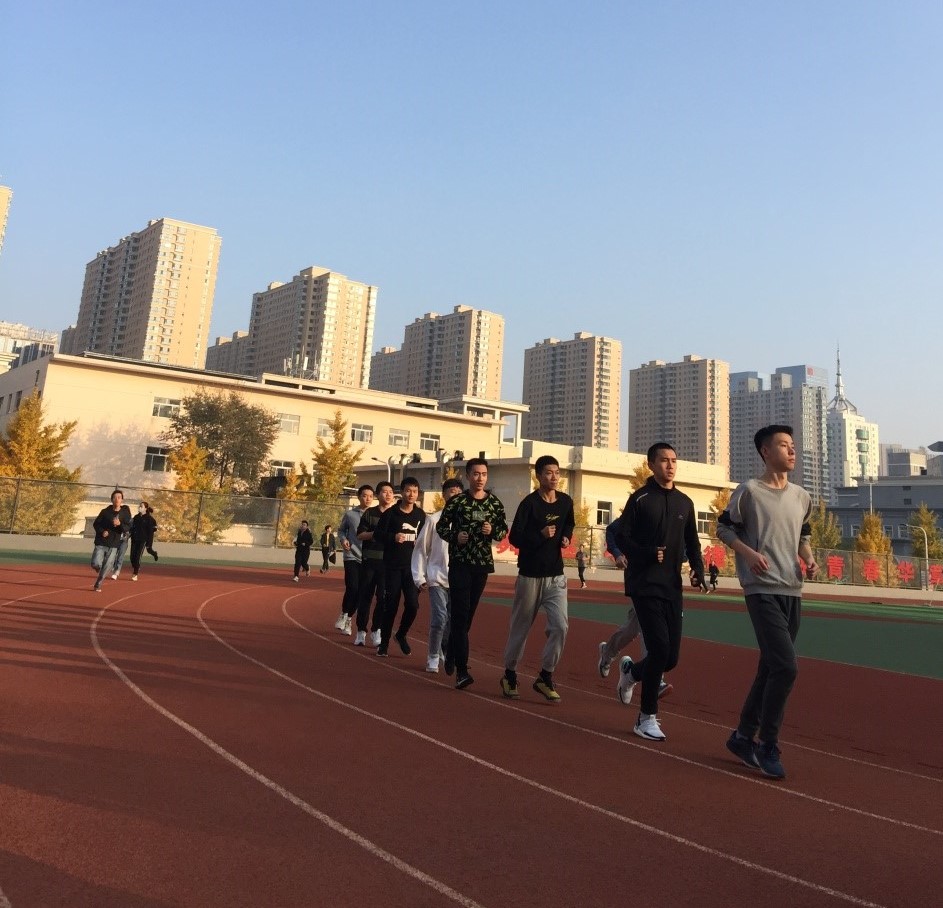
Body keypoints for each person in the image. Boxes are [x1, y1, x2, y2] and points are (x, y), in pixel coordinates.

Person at [717, 424, 817, 780]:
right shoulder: (750, 492)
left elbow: (802, 536)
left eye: (793, 445)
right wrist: (748, 553)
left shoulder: (802, 497)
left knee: (771, 667)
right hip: (760, 589)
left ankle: (743, 736)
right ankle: (767, 744)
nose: (792, 451)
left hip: (792, 590)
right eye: (784, 445)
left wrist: (809, 559)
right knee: (786, 667)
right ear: (765, 451)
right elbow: (723, 528)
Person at [614, 443, 706, 742]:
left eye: (674, 460)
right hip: (644, 584)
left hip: (672, 586)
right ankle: (646, 718)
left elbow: (692, 542)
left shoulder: (685, 502)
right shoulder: (640, 499)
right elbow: (621, 537)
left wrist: (698, 569)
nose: (670, 465)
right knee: (659, 649)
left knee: (670, 658)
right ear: (651, 464)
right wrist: (647, 553)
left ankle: (631, 673)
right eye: (664, 460)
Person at [501, 455, 575, 702]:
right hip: (530, 576)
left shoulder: (565, 502)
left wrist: (566, 536)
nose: (554, 477)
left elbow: (569, 524)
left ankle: (545, 675)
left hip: (556, 576)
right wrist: (540, 534)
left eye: (557, 472)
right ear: (539, 476)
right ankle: (510, 674)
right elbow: (515, 538)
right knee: (520, 627)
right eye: (549, 473)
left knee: (561, 626)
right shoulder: (529, 504)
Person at [436, 458, 508, 689]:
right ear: (468, 476)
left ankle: (451, 651)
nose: (480, 478)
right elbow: (441, 527)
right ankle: (462, 671)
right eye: (476, 474)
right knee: (460, 615)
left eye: (484, 474)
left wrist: (492, 530)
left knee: (467, 618)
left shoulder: (494, 503)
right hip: (460, 564)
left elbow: (502, 530)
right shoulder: (457, 502)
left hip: (481, 565)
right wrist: (455, 536)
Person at [596, 514, 673, 700]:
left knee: (633, 629)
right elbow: (612, 530)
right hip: (639, 579)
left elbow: (683, 546)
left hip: (661, 581)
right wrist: (617, 553)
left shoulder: (673, 514)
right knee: (649, 627)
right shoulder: (641, 508)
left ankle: (608, 653)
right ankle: (656, 679)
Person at [413, 477, 464, 673]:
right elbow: (420, 549)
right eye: (451, 492)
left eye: (458, 493)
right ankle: (433, 656)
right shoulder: (434, 520)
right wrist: (419, 576)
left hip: (458, 579)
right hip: (437, 577)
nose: (455, 496)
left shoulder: (467, 522)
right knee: (439, 618)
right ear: (444, 495)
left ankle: (444, 648)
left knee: (452, 620)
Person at [373, 477, 426, 658]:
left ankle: (401, 634)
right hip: (392, 567)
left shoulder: (421, 515)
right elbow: (378, 535)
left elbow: (427, 540)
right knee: (391, 606)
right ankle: (384, 643)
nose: (411, 494)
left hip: (413, 569)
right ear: (402, 492)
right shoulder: (391, 514)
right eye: (408, 491)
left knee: (413, 605)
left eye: (415, 491)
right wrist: (393, 537)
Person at [354, 480, 395, 646]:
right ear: (378, 495)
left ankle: (376, 629)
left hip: (388, 563)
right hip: (370, 562)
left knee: (383, 599)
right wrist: (377, 534)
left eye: (391, 492)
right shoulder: (370, 513)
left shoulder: (396, 515)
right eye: (384, 492)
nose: (388, 495)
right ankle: (361, 631)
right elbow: (360, 535)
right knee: (366, 596)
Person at [333, 485, 374, 634]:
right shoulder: (350, 514)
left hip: (368, 558)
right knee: (352, 586)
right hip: (351, 555)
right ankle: (344, 614)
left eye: (370, 496)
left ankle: (349, 619)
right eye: (364, 495)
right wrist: (343, 539)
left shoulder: (375, 515)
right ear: (359, 497)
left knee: (361, 591)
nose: (368, 498)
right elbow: (341, 530)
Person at [91, 490, 132, 591]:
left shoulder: (125, 514)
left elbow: (127, 527)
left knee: (107, 566)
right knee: (95, 563)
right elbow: (96, 524)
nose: (117, 499)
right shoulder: (105, 512)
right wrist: (102, 531)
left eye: (119, 497)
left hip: (114, 544)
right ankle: (98, 568)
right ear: (112, 499)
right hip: (101, 542)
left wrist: (120, 524)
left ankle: (98, 583)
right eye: (115, 497)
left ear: (122, 500)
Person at [129, 501, 158, 581]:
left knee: (139, 556)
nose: (139, 507)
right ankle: (136, 566)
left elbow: (151, 532)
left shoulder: (149, 519)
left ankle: (135, 573)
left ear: (145, 508)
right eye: (139, 506)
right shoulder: (136, 517)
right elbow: (132, 528)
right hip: (134, 539)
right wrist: (129, 534)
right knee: (132, 557)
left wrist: (149, 542)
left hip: (143, 540)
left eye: (141, 506)